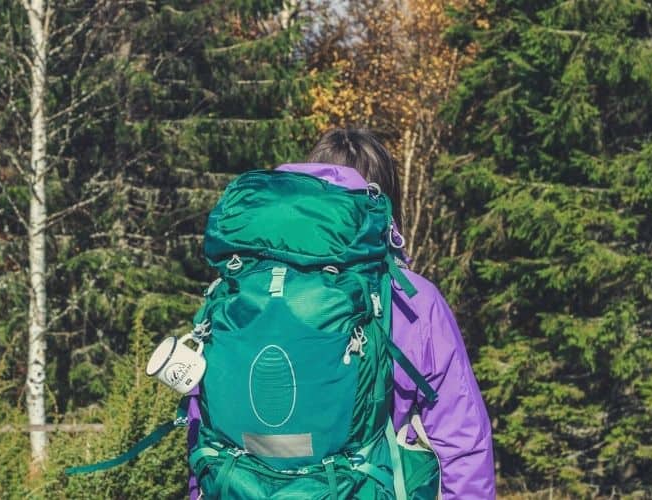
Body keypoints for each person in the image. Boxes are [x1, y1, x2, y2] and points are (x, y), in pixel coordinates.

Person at [186, 128, 495, 499]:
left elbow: (203, 423)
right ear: (382, 206)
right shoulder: (410, 299)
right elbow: (461, 441)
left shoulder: (239, 289)